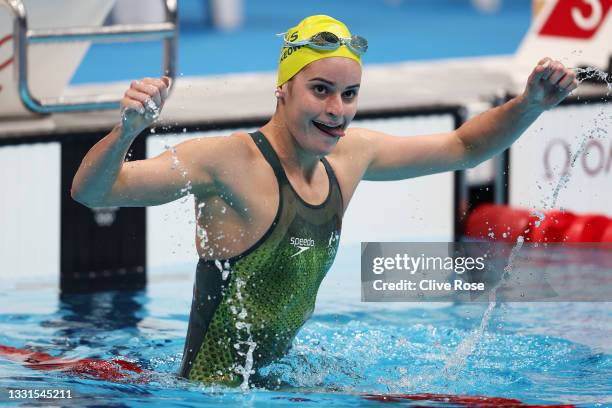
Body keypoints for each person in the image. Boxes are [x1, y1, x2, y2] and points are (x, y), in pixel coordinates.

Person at [71, 15, 577, 388]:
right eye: (320, 90)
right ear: (282, 90)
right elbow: (93, 193)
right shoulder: (225, 163)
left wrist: (528, 104)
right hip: (208, 394)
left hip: (276, 382)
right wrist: (127, 131)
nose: (338, 111)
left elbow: (464, 148)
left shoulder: (351, 157)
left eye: (350, 94)